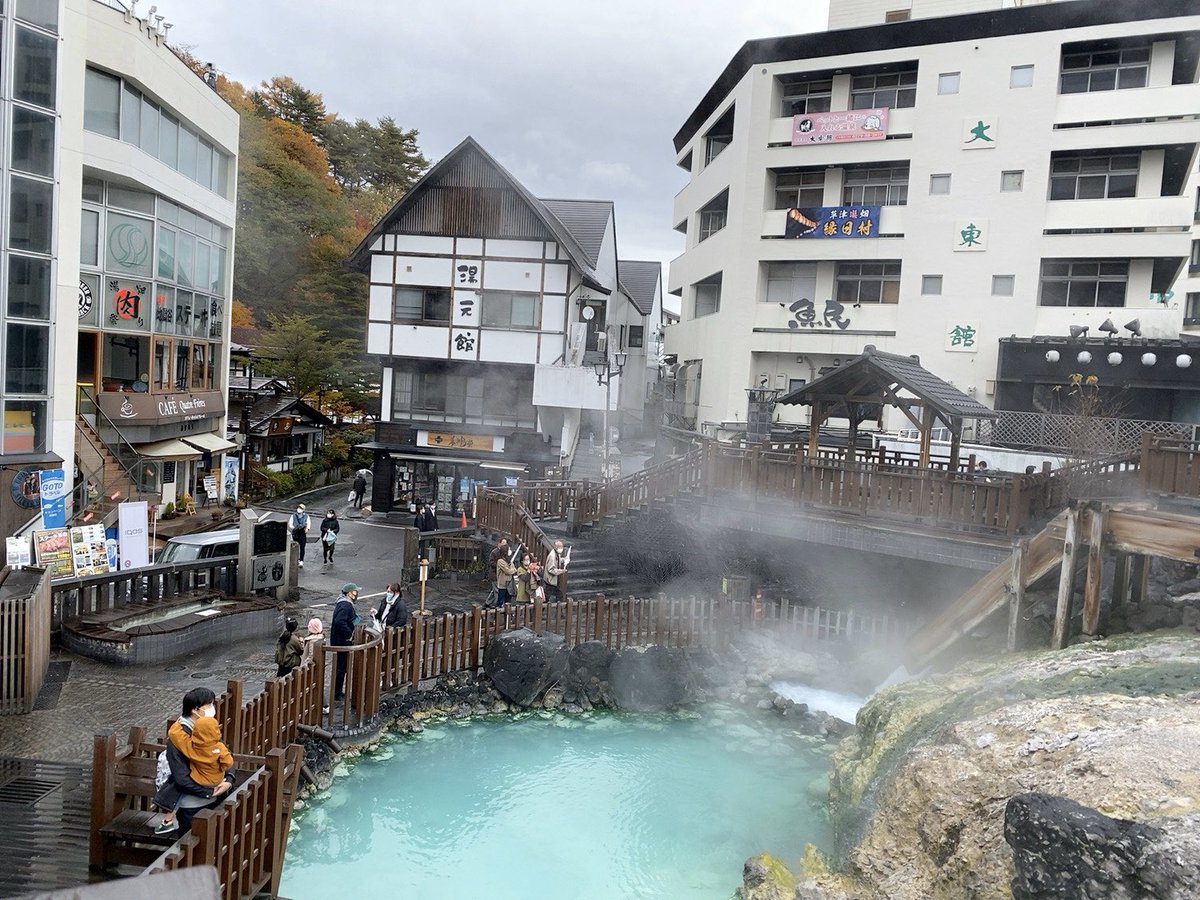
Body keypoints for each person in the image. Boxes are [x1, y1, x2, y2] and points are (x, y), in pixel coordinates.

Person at [151, 687, 234, 835]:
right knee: (193, 845)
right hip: (192, 805)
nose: (212, 709)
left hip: (217, 798)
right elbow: (180, 777)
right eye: (208, 706)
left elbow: (223, 753)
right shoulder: (178, 739)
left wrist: (229, 778)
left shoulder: (206, 727)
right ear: (195, 710)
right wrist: (209, 792)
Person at [330, 583, 361, 702]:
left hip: (339, 640)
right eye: (355, 592)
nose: (356, 594)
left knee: (341, 667)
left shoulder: (342, 603)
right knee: (341, 668)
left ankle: (338, 692)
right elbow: (339, 622)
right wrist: (349, 634)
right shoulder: (346, 606)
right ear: (349, 593)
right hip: (342, 641)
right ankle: (337, 693)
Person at [187, 715, 234, 789]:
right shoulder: (219, 747)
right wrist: (221, 768)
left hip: (198, 780)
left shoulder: (191, 746)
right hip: (216, 780)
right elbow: (228, 763)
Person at [288, 503, 310, 568]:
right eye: (298, 508)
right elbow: (290, 523)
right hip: (295, 533)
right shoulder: (293, 516)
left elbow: (308, 523)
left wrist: (307, 529)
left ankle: (301, 560)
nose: (299, 509)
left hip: (302, 533)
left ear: (303, 510)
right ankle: (296, 559)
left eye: (301, 508)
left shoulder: (306, 516)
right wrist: (294, 528)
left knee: (302, 547)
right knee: (295, 547)